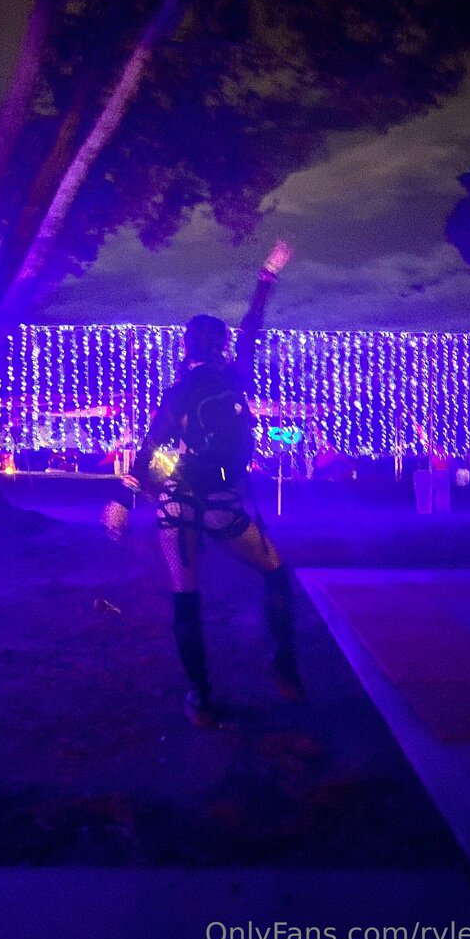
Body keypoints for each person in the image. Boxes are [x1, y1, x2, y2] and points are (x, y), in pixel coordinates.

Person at [102, 240, 303, 727]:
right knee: (276, 573)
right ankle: (281, 663)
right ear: (223, 348)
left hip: (177, 502)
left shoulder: (178, 392)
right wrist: (267, 276)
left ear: (186, 348)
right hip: (222, 503)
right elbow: (253, 326)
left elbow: (151, 449)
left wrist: (122, 500)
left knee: (185, 595)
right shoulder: (234, 377)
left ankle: (200, 699)